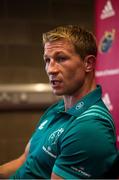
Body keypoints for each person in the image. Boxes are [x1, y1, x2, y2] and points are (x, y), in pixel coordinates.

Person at [0, 25, 118, 179]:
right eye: (47, 60)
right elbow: (24, 160)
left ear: (88, 63)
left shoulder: (90, 127)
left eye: (61, 58)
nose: (50, 69)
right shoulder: (57, 109)